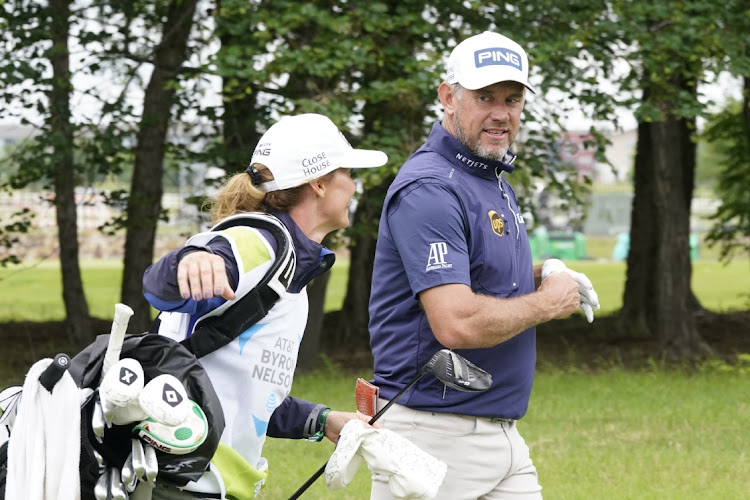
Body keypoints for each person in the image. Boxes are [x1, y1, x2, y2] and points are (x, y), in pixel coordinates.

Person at [368, 31, 600, 499]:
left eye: (512, 99)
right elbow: (456, 322)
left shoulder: (487, 175)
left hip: (498, 435)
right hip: (433, 432)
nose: (501, 113)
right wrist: (547, 303)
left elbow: (478, 274)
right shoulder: (432, 188)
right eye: (485, 97)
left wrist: (547, 272)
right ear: (448, 97)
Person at [143, 113, 388, 499]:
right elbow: (163, 286)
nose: (354, 186)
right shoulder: (259, 243)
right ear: (320, 183)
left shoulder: (290, 270)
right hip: (175, 484)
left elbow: (250, 396)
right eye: (348, 173)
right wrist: (191, 259)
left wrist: (322, 420)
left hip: (201, 484)